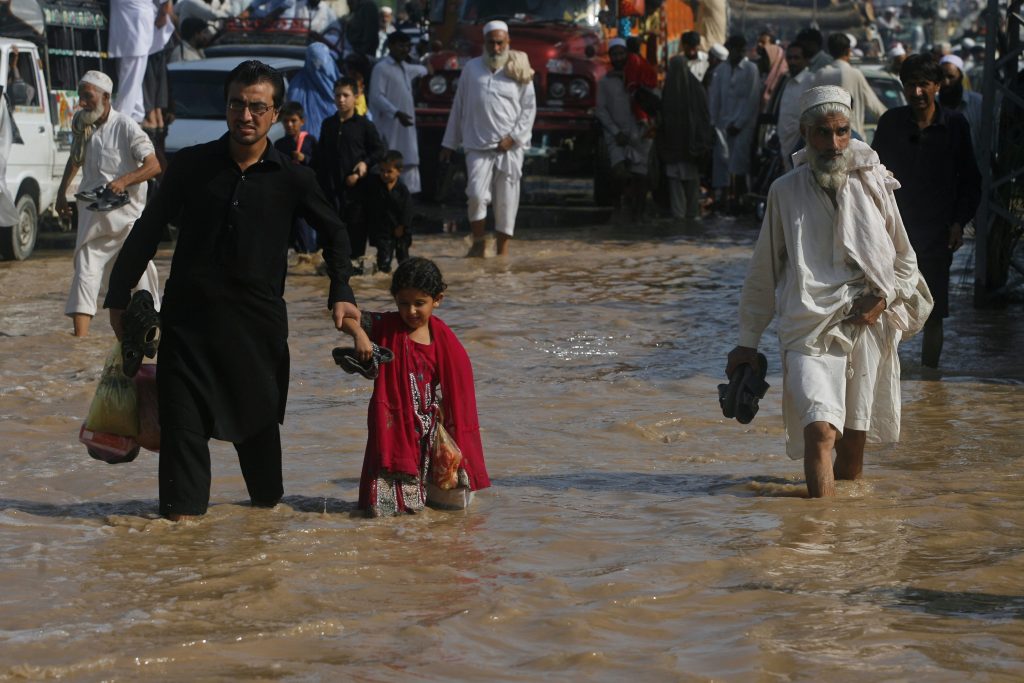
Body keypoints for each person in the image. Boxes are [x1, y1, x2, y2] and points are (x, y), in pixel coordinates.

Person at [104, 60, 359, 520]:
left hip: (256, 338)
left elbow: (336, 233)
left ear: (275, 114)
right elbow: (147, 230)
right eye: (237, 104)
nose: (246, 115)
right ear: (226, 107)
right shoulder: (191, 167)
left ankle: (261, 562)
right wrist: (118, 295)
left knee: (265, 494)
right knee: (180, 490)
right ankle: (184, 569)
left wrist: (340, 290)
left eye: (257, 107)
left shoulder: (292, 178)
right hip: (186, 333)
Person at [727, 85, 932, 498]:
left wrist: (884, 299)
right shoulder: (785, 191)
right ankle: (816, 540)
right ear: (805, 133)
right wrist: (747, 343)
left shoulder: (875, 185)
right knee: (820, 430)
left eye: (842, 132)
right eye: (823, 133)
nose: (834, 143)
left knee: (853, 444)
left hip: (868, 326)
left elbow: (904, 260)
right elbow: (763, 272)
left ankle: (840, 543)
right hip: (808, 325)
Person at [341, 257, 490, 517]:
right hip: (391, 426)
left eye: (419, 304)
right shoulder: (384, 326)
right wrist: (360, 335)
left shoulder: (441, 337)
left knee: (429, 510)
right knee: (385, 513)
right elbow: (343, 315)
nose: (410, 311)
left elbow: (457, 390)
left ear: (438, 299)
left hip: (427, 429)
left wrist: (442, 414)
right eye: (403, 304)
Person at [872, 54, 981, 369]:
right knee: (884, 307)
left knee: (933, 313)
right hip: (891, 235)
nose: (917, 92)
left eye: (923, 85)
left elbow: (971, 180)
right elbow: (871, 176)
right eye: (910, 85)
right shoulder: (891, 123)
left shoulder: (955, 125)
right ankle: (884, 377)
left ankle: (930, 385)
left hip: (937, 235)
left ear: (937, 86)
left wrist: (959, 223)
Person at [55, 71, 161, 337]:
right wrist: (61, 193)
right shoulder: (82, 124)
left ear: (105, 97)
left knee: (140, 283)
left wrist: (124, 180)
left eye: (88, 97)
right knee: (85, 273)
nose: (82, 103)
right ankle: (79, 344)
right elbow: (75, 158)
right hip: (94, 218)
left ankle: (150, 339)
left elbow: (154, 165)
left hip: (127, 221)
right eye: (80, 97)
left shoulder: (125, 126)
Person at [441, 20, 536, 257]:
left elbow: (529, 109)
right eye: (491, 43)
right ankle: (479, 242)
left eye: (500, 43)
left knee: (506, 202)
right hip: (477, 144)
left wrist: (513, 138)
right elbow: (458, 107)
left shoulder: (519, 69)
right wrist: (449, 143)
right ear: (484, 43)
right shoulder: (471, 69)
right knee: (475, 195)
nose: (496, 48)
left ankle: (502, 253)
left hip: (510, 148)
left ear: (508, 43)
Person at [316, 76, 385, 272]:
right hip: (331, 189)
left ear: (356, 97)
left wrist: (365, 163)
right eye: (337, 95)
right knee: (331, 229)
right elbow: (321, 157)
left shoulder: (364, 125)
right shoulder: (328, 124)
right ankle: (332, 266)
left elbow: (379, 151)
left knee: (356, 229)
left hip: (357, 190)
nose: (341, 100)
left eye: (346, 95)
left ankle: (356, 266)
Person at [595, 37, 654, 220]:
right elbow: (601, 110)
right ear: (610, 57)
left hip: (639, 132)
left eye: (621, 53)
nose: (618, 57)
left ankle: (639, 213)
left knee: (641, 176)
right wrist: (615, 132)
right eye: (615, 54)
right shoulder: (605, 82)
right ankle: (618, 207)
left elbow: (652, 101)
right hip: (616, 135)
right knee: (618, 174)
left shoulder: (640, 76)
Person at [657, 40, 712, 221]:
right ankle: (688, 228)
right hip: (688, 152)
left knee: (679, 195)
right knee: (690, 194)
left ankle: (681, 227)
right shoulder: (696, 90)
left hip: (680, 152)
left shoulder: (671, 92)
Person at [368, 31, 429, 194]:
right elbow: (376, 97)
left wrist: (429, 66)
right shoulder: (381, 68)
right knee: (389, 161)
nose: (405, 50)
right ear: (390, 46)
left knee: (408, 161)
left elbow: (421, 70)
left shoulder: (404, 67)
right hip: (389, 125)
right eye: (401, 46)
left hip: (405, 125)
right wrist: (396, 113)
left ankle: (408, 203)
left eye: (408, 46)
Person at [708, 34, 760, 213]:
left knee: (739, 164)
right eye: (734, 50)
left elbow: (752, 99)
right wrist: (713, 123)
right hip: (722, 124)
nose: (737, 53)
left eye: (740, 50)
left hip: (742, 127)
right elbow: (714, 98)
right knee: (721, 163)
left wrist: (739, 124)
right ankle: (722, 200)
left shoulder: (751, 69)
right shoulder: (720, 70)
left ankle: (739, 200)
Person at [812, 33, 888, 140]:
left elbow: (811, 109)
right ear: (848, 51)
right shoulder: (855, 74)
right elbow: (875, 106)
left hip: (826, 139)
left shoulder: (821, 74)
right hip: (853, 137)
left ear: (830, 52)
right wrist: (893, 120)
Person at [108, 0, 168, 123]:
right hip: (126, 26)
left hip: (136, 26)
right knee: (131, 76)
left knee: (130, 76)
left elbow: (166, 4)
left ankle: (121, 119)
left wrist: (163, 14)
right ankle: (135, 115)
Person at [273, 101, 320, 259]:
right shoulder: (279, 144)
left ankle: (306, 255)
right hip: (286, 193)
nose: (290, 124)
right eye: (286, 121)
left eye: (293, 121)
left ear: (302, 121)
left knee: (304, 225)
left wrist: (305, 158)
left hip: (306, 191)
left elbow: (319, 164)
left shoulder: (310, 141)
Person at [361, 149, 413, 273]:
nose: (385, 174)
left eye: (389, 171)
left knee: (403, 260)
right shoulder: (375, 185)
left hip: (401, 231)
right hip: (382, 231)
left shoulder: (402, 190)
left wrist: (402, 226)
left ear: (399, 172)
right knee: (383, 262)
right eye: (382, 171)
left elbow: (408, 210)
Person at [286, 42, 341, 145]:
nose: (321, 68)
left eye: (324, 62)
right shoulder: (297, 87)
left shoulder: (341, 85)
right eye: (316, 63)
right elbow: (291, 114)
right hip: (306, 148)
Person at [938, 54, 985, 168]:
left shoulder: (978, 103)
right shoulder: (932, 103)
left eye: (951, 76)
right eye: (942, 77)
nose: (946, 82)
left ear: (960, 76)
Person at [774, 40, 814, 169]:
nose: (792, 62)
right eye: (789, 58)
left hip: (801, 147)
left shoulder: (811, 81)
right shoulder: (788, 81)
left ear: (806, 60)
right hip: (785, 145)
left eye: (796, 58)